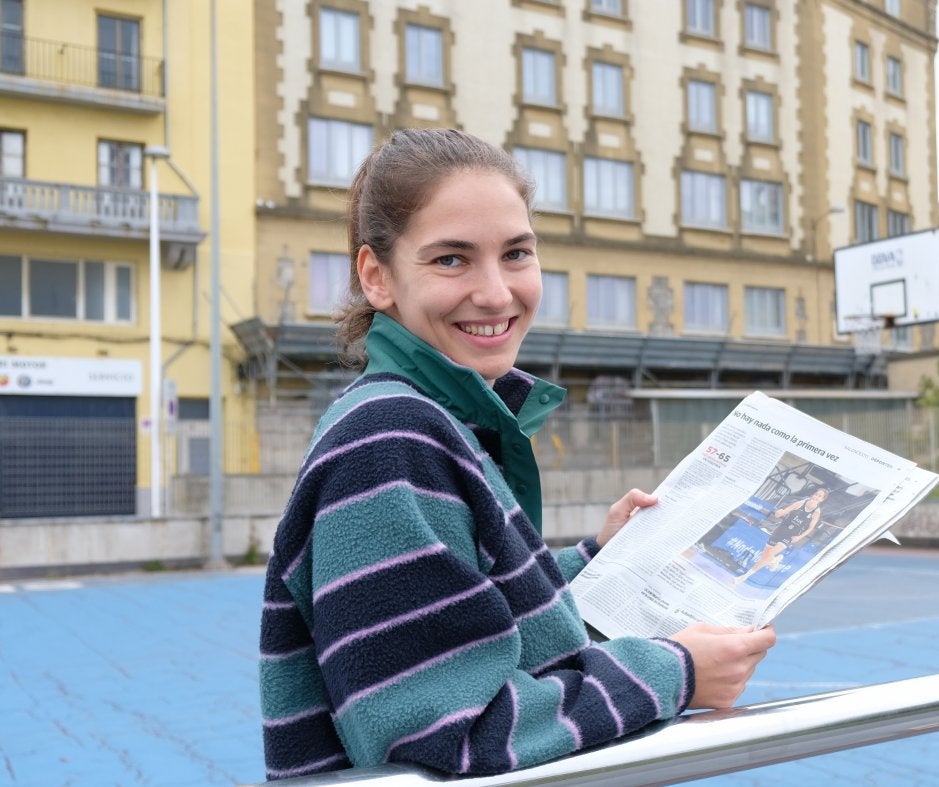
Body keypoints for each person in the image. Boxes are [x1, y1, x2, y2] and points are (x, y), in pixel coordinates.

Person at [258, 128, 776, 781]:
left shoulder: (434, 418)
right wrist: (678, 670)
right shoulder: (390, 440)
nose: (497, 292)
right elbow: (443, 742)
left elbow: (462, 606)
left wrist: (592, 559)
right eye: (451, 259)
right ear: (376, 277)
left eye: (516, 253)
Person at [731, 486, 829, 586]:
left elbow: (810, 528)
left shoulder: (816, 512)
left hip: (791, 535)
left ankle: (743, 578)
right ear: (813, 494)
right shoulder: (800, 503)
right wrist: (779, 513)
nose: (816, 496)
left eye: (820, 496)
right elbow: (783, 512)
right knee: (764, 556)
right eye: (816, 494)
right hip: (780, 530)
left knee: (771, 553)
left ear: (821, 500)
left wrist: (799, 537)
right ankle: (774, 560)